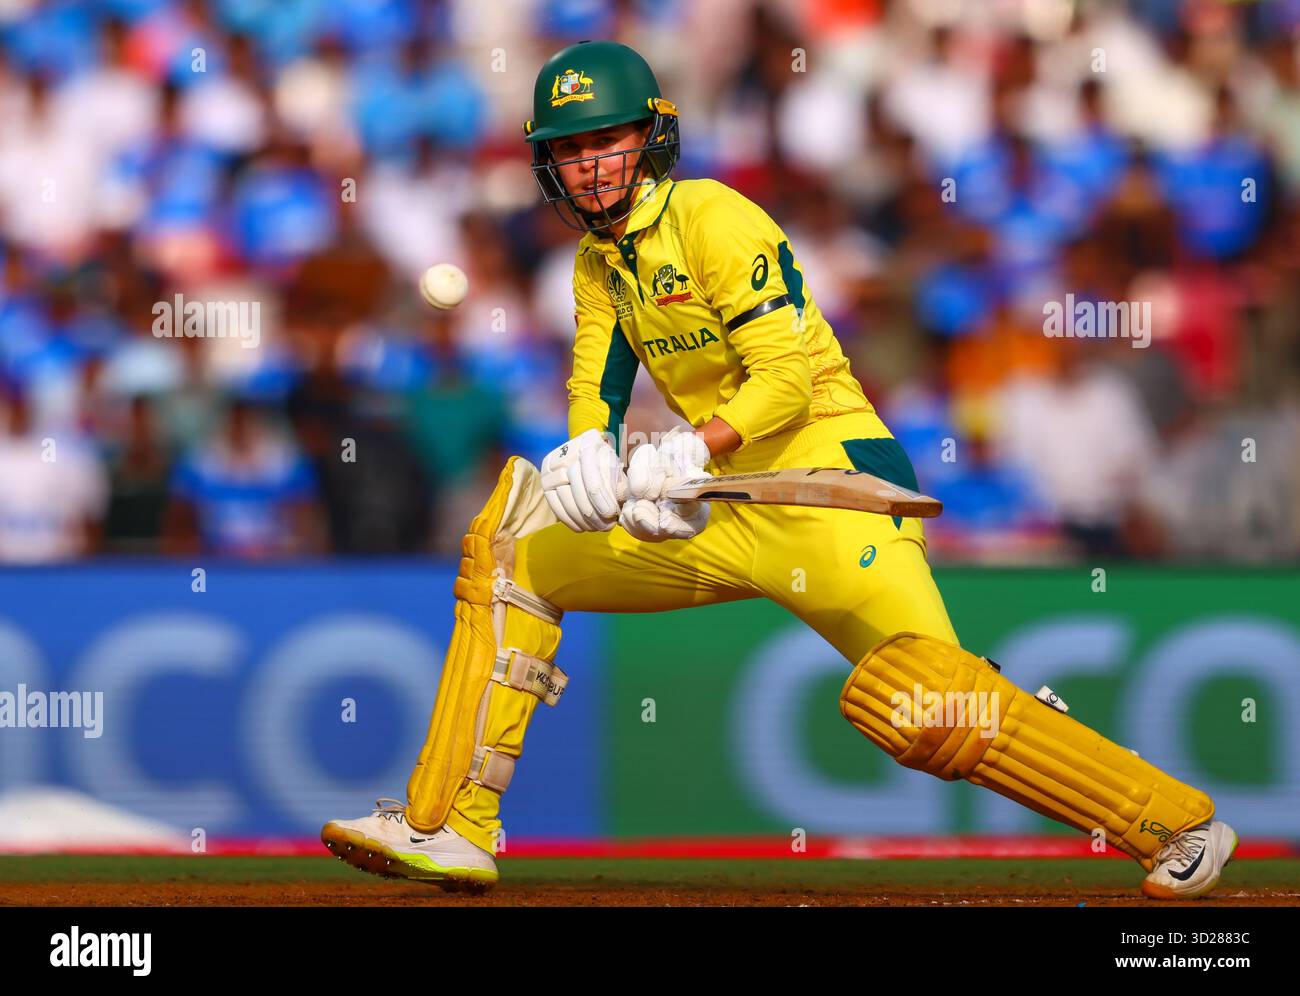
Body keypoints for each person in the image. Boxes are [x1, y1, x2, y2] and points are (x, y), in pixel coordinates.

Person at [322, 41, 1236, 900]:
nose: (591, 164)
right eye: (570, 149)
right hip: (719, 504)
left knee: (926, 707)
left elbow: (789, 381)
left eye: (608, 139)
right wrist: (592, 452)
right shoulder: (599, 266)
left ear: (652, 138)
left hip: (829, 490)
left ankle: (1178, 828)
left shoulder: (716, 218)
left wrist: (692, 445)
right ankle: (452, 822)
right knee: (513, 553)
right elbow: (592, 380)